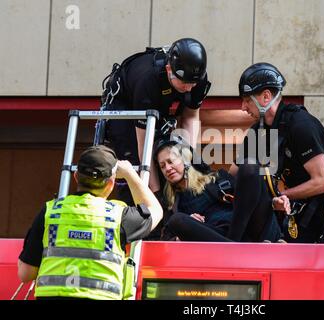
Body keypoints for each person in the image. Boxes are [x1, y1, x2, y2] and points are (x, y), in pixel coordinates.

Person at [228, 62, 324, 245]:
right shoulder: (257, 133)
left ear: (265, 96)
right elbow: (234, 175)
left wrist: (281, 195)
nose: (243, 107)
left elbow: (322, 182)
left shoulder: (300, 124)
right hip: (307, 204)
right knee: (293, 257)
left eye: (247, 100)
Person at [17, 145, 163, 300]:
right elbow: (155, 210)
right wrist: (129, 174)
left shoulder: (50, 212)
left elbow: (25, 274)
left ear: (75, 176)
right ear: (110, 184)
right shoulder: (118, 216)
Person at [100, 37, 211, 201]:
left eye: (192, 84)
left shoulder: (197, 78)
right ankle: (137, 210)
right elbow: (143, 143)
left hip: (158, 103)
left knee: (170, 157)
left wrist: (188, 162)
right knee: (134, 163)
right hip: (126, 105)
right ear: (168, 70)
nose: (188, 88)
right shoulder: (148, 80)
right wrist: (155, 195)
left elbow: (190, 116)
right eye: (184, 83)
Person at [155, 135, 290, 242]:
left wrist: (273, 202)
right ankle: (232, 246)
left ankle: (233, 244)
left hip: (248, 227)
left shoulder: (218, 178)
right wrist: (187, 223)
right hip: (216, 236)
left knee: (250, 166)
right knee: (177, 220)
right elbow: (165, 236)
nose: (167, 168)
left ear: (186, 159)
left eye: (171, 161)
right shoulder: (170, 202)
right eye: (162, 166)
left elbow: (248, 198)